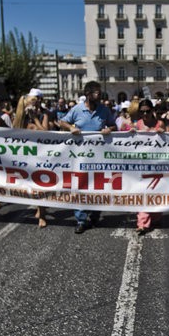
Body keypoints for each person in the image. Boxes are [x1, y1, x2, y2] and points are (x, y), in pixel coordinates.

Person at [58, 81, 116, 233]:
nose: (100, 95)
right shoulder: (77, 109)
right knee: (80, 185)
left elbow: (114, 125)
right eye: (97, 92)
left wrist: (108, 129)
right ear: (88, 94)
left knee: (97, 186)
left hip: (99, 157)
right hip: (79, 157)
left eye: (100, 92)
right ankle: (81, 219)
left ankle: (95, 215)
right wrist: (71, 127)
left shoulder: (104, 110)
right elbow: (62, 121)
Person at [13, 90, 51, 228]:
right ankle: (40, 208)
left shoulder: (42, 116)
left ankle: (42, 214)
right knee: (32, 186)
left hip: (41, 157)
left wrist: (37, 118)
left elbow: (46, 134)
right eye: (32, 104)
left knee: (40, 185)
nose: (34, 107)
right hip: (26, 157)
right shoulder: (19, 121)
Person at [132, 98, 166, 234]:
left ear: (152, 111)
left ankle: (155, 216)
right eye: (142, 112)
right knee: (142, 193)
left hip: (157, 164)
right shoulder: (138, 124)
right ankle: (142, 222)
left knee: (155, 193)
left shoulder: (160, 123)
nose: (145, 114)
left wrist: (164, 133)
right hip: (141, 166)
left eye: (147, 111)